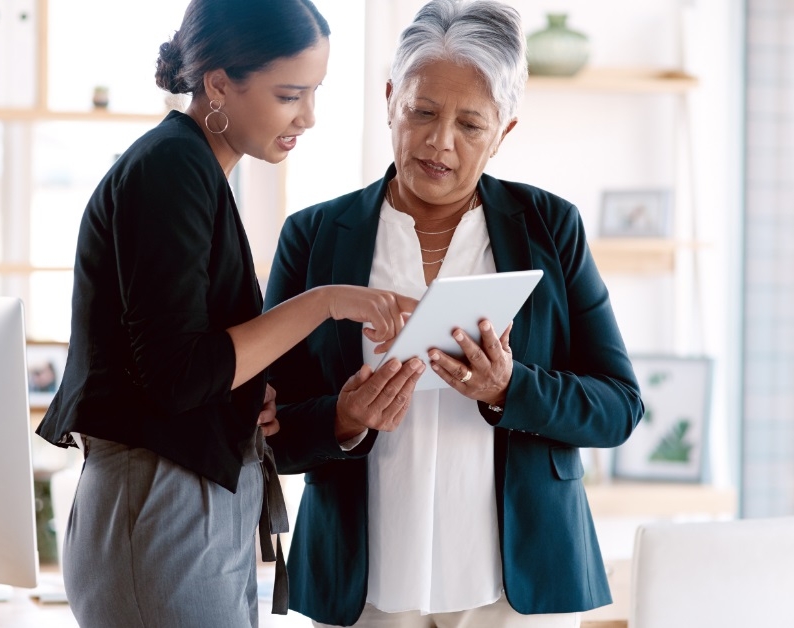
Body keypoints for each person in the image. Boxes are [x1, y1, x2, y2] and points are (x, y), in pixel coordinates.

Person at [34, 1, 421, 626]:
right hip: (161, 506)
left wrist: (243, 393)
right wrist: (325, 301)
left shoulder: (195, 169)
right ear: (218, 84)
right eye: (289, 95)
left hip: (182, 504)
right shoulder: (173, 167)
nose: (309, 117)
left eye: (315, 93)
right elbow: (178, 374)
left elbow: (185, 362)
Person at [264, 1, 645, 626]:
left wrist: (510, 388)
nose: (440, 141)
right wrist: (344, 418)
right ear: (390, 99)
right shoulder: (313, 236)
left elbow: (618, 407)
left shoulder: (551, 227)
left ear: (504, 132)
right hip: (365, 586)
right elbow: (265, 434)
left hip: (517, 588)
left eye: (471, 124)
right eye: (422, 111)